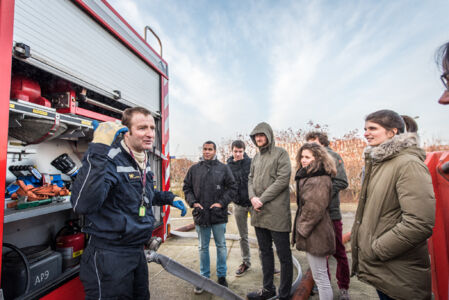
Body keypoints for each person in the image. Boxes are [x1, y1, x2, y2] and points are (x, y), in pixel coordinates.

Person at [71, 107, 187, 300]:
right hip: (110, 256)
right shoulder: (109, 159)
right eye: (142, 128)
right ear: (126, 132)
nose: (150, 133)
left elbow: (140, 194)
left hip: (136, 252)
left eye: (152, 128)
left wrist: (169, 198)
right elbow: (83, 204)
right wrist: (99, 147)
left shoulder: (141, 158)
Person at [351, 109, 435, 300]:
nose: (366, 132)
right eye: (365, 128)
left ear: (393, 132)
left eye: (373, 128)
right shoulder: (380, 163)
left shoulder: (408, 164)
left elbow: (419, 222)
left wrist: (377, 249)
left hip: (399, 271)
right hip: (385, 270)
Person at [246, 122, 293, 300]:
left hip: (276, 214)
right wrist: (252, 198)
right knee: (264, 252)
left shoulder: (280, 154)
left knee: (284, 255)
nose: (258, 138)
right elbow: (249, 179)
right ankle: (268, 289)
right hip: (259, 213)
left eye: (261, 135)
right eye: (256, 135)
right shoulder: (256, 158)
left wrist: (262, 199)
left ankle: (285, 294)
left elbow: (283, 180)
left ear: (269, 135)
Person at [183, 141, 237, 294]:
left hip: (218, 215)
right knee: (202, 247)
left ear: (215, 151)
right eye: (205, 149)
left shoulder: (223, 168)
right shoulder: (194, 169)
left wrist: (221, 203)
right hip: (201, 215)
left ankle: (221, 276)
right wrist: (193, 203)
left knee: (221, 246)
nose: (207, 152)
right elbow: (186, 187)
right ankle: (203, 278)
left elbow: (232, 188)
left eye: (210, 149)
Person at [305, 131, 350, 300]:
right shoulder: (309, 159)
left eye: (315, 143)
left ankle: (344, 287)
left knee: (338, 251)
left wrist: (321, 194)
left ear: (322, 142)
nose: (312, 146)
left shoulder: (333, 156)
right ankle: (325, 285)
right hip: (315, 215)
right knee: (321, 252)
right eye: (309, 144)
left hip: (331, 213)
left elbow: (342, 181)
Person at [292, 143, 336, 300]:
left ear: (317, 158)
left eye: (307, 157)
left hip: (315, 233)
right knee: (320, 275)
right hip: (314, 232)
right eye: (302, 157)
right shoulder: (311, 176)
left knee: (320, 278)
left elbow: (314, 209)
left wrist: (301, 230)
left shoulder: (318, 179)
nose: (303, 160)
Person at [227, 140, 252, 276]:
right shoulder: (228, 166)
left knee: (263, 235)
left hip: (253, 204)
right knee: (243, 236)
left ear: (244, 151)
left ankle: (268, 264)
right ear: (232, 151)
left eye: (240, 151)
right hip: (238, 205)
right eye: (235, 151)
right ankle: (246, 262)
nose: (237, 154)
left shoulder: (252, 162)